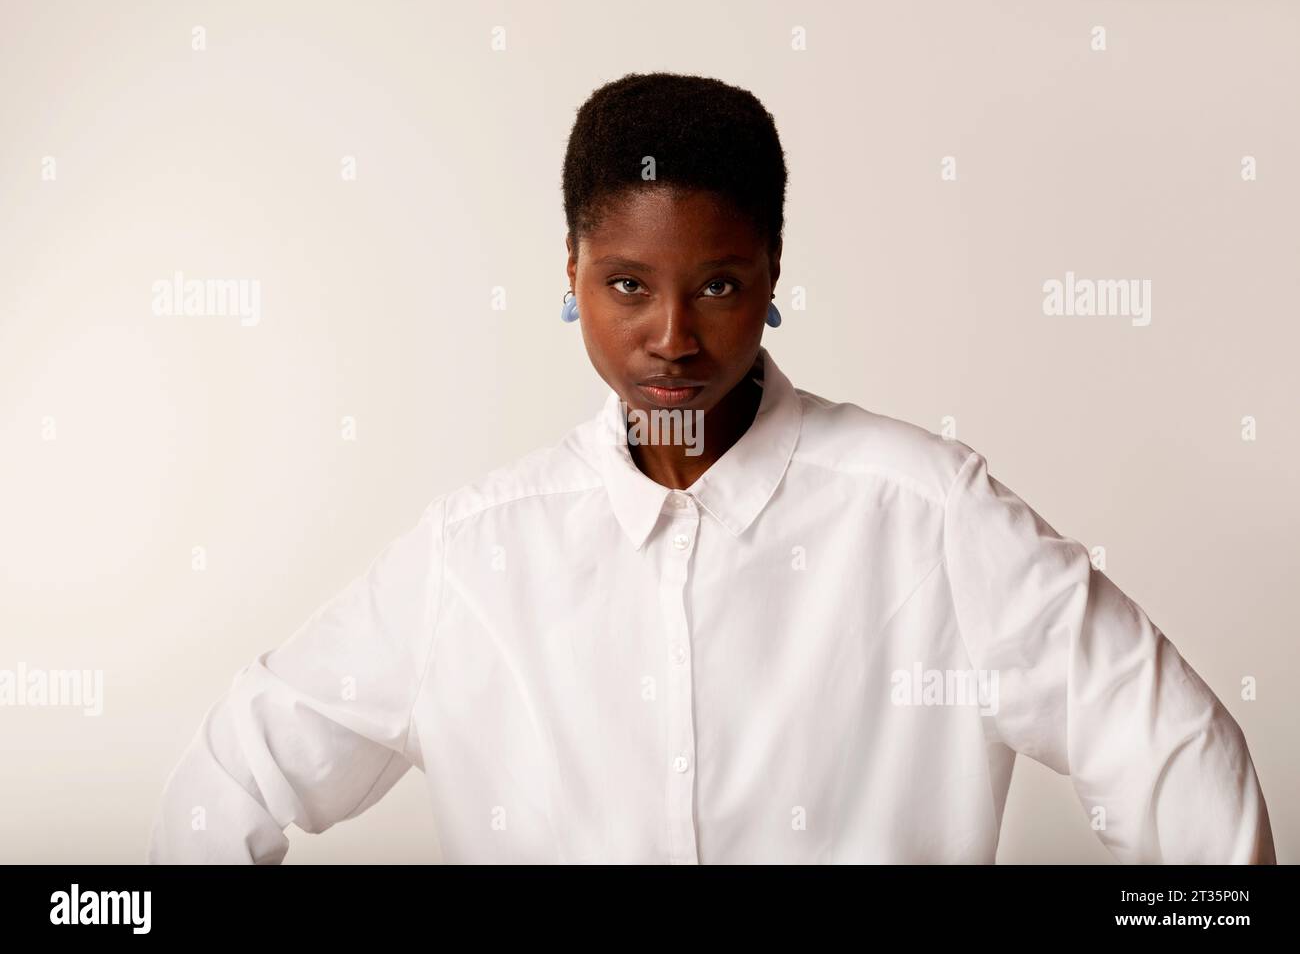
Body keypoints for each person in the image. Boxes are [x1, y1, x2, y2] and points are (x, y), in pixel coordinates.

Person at [147, 72, 1275, 864]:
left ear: (773, 269)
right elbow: (237, 773)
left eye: (720, 283)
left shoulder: (928, 516)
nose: (674, 336)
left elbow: (1175, 757)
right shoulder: (476, 552)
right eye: (628, 284)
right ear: (574, 272)